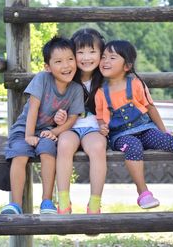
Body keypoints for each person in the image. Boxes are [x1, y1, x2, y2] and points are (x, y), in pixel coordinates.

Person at [95, 40, 173, 209]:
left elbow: (150, 108)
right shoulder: (101, 92)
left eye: (112, 57)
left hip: (145, 128)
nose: (105, 61)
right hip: (120, 136)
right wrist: (102, 127)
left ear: (127, 66)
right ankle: (143, 193)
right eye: (103, 57)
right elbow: (101, 117)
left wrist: (163, 130)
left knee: (164, 139)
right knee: (133, 146)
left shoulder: (136, 84)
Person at [0, 36, 85, 215]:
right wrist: (29, 135)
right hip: (25, 128)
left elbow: (72, 119)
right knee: (20, 154)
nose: (66, 65)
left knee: (48, 152)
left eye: (70, 59)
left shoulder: (76, 89)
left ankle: (46, 201)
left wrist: (54, 131)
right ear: (48, 67)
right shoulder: (42, 79)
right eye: (59, 61)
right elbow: (33, 108)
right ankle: (15, 204)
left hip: (47, 131)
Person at [54, 28, 107, 214]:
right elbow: (53, 103)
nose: (86, 57)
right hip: (70, 126)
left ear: (101, 53)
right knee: (64, 144)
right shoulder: (66, 77)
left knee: (98, 147)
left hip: (94, 128)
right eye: (80, 52)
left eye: (92, 52)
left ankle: (95, 203)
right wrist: (57, 116)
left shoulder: (105, 79)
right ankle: (63, 200)